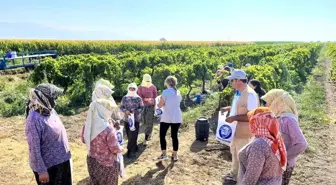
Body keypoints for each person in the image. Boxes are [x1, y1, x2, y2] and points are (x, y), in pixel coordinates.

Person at [25, 83, 72, 185]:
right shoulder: (33, 119)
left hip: (62, 162)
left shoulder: (50, 111)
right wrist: (41, 170)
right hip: (49, 168)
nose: (56, 100)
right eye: (54, 97)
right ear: (45, 98)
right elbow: (34, 148)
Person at [220, 69, 259, 184]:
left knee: (242, 156)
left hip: (244, 132)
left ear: (238, 80)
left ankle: (241, 179)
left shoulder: (250, 95)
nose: (231, 83)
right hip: (235, 130)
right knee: (234, 152)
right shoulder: (239, 92)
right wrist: (228, 109)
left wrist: (234, 118)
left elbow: (251, 116)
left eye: (232, 80)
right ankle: (234, 174)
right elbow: (239, 107)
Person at [261, 89, 308, 185]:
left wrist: (283, 159)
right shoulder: (279, 117)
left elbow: (302, 144)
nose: (266, 106)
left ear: (278, 103)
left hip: (281, 166)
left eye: (268, 103)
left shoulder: (288, 120)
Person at [82, 79, 123, 185]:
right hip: (107, 164)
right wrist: (121, 148)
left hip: (92, 161)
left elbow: (84, 139)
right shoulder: (108, 129)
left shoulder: (88, 124)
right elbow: (114, 148)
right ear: (104, 111)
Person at [238, 107, 286, 185]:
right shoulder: (275, 140)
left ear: (256, 122)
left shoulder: (258, 145)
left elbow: (251, 178)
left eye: (252, 121)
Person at [157, 76, 183, 162]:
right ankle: (175, 155)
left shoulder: (165, 92)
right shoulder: (178, 92)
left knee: (162, 135)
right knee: (174, 136)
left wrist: (161, 103)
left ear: (167, 83)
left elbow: (160, 105)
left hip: (166, 117)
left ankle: (164, 154)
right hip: (177, 117)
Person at [120, 83, 144, 158]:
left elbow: (142, 107)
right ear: (128, 89)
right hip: (127, 120)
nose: (132, 90)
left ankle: (130, 151)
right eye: (130, 88)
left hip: (136, 120)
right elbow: (121, 107)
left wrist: (136, 111)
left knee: (133, 135)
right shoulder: (124, 98)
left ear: (136, 89)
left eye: (133, 88)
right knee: (129, 135)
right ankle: (135, 147)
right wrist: (125, 111)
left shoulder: (138, 98)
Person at [137, 74, 158, 146]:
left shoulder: (153, 87)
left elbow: (155, 98)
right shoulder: (139, 88)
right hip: (142, 107)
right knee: (144, 122)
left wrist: (155, 107)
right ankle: (148, 134)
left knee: (149, 122)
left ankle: (146, 138)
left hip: (150, 107)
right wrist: (145, 99)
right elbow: (138, 98)